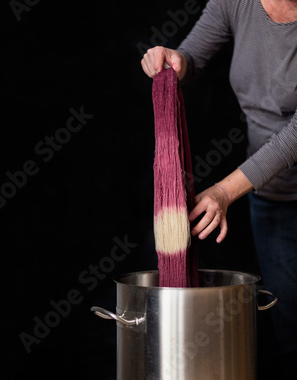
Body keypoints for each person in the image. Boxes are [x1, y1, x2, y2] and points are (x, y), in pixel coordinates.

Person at [141, 0, 297, 378]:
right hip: (272, 195)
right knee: (292, 326)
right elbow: (190, 56)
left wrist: (225, 191)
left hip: (250, 182)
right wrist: (172, 60)